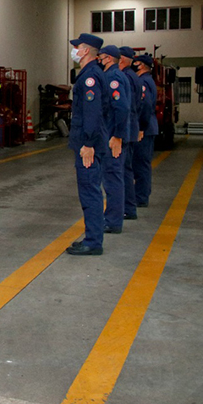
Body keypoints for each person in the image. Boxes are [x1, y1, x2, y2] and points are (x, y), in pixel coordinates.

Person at [66, 33, 108, 256]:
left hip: (88, 143)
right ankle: (92, 237)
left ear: (85, 51)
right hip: (87, 141)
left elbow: (92, 113)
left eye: (77, 47)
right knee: (89, 191)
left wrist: (89, 144)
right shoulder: (90, 74)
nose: (74, 51)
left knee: (90, 191)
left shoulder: (90, 76)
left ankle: (93, 241)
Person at [97, 45, 130, 234]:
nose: (98, 60)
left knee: (112, 178)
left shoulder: (113, 78)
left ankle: (113, 221)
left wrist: (117, 135)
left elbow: (122, 107)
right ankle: (112, 218)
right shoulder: (115, 75)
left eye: (100, 57)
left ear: (108, 58)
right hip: (111, 134)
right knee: (113, 178)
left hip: (112, 137)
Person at [118, 46, 142, 221]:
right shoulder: (134, 76)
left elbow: (124, 106)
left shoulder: (125, 77)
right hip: (130, 126)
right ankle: (128, 207)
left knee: (123, 170)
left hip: (125, 129)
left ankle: (128, 207)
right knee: (126, 168)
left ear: (122, 59)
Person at [133, 53, 158, 208]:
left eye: (135, 63)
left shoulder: (143, 82)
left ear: (141, 65)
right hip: (147, 127)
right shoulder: (148, 80)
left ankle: (141, 197)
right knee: (142, 164)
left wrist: (141, 127)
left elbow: (146, 105)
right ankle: (141, 195)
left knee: (141, 164)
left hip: (144, 129)